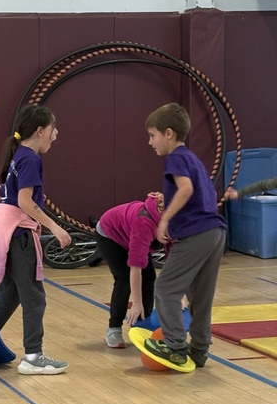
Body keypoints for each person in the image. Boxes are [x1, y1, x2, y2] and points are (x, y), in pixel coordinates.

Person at [0, 104, 71, 375]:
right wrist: (55, 227)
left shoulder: (18, 154)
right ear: (40, 131)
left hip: (6, 229)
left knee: (11, 291)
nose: (56, 135)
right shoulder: (30, 158)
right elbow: (25, 201)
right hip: (18, 234)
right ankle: (32, 356)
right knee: (34, 296)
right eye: (53, 130)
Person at [142, 102, 226, 369]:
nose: (150, 142)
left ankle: (176, 346)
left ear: (169, 133)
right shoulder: (192, 158)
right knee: (201, 296)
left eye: (152, 135)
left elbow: (186, 189)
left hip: (195, 234)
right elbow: (201, 194)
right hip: (215, 232)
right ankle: (199, 350)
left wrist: (164, 220)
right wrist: (171, 205)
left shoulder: (175, 157)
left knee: (165, 288)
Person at [96, 192, 163, 348]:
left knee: (149, 278)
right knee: (124, 279)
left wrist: (181, 296)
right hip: (111, 234)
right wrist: (137, 303)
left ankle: (142, 325)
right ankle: (113, 329)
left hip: (133, 234)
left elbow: (174, 260)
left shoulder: (175, 220)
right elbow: (135, 266)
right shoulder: (144, 223)